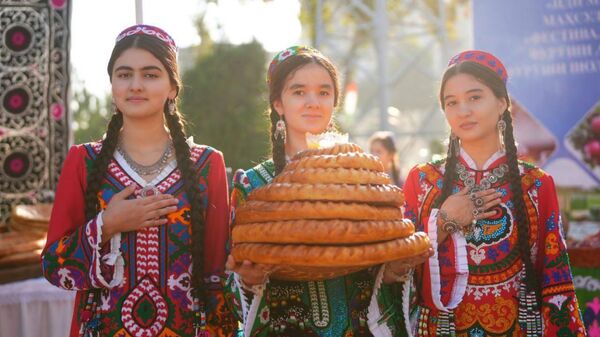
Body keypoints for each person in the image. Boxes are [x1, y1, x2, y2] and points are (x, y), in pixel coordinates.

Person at [41, 24, 237, 337]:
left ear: (173, 87)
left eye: (150, 74)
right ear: (112, 83)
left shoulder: (207, 164)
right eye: (124, 74)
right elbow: (54, 267)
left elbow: (217, 278)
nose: (135, 85)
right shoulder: (84, 161)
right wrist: (108, 225)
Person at [224, 46, 430, 337]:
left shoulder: (367, 179)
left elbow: (387, 261)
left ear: (335, 101)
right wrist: (248, 282)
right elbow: (231, 283)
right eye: (298, 92)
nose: (313, 102)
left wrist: (394, 272)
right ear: (278, 103)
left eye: (323, 92)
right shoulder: (253, 184)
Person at [402, 50, 586, 336]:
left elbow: (555, 279)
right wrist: (443, 222)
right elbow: (397, 269)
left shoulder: (536, 184)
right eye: (452, 102)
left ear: (502, 103)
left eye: (475, 97)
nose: (463, 110)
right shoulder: (423, 180)